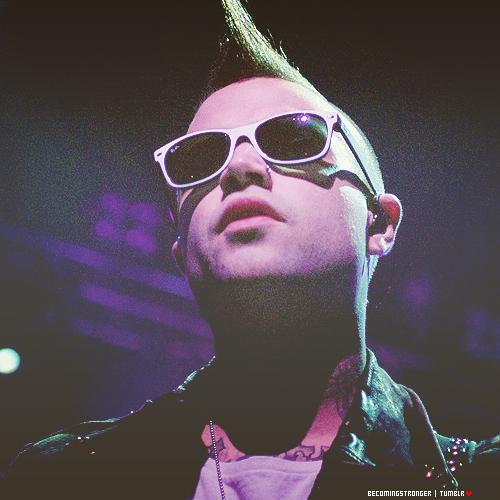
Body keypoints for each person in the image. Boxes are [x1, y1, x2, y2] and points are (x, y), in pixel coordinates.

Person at [2, 1, 498, 499]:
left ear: (380, 223)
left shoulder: (479, 481)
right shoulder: (61, 479)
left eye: (294, 137)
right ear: (181, 254)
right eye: (201, 157)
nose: (239, 168)